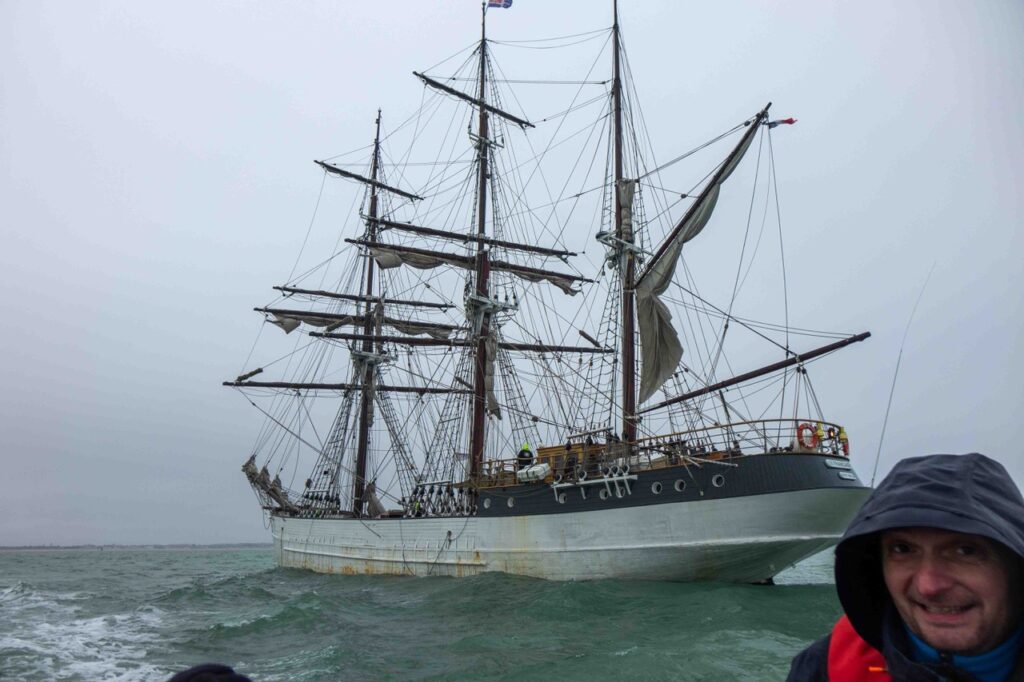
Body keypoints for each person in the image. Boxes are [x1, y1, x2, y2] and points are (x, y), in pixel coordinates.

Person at [787, 453, 1024, 681]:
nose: (929, 586)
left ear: (1015, 565)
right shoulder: (821, 669)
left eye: (965, 551)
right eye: (903, 549)